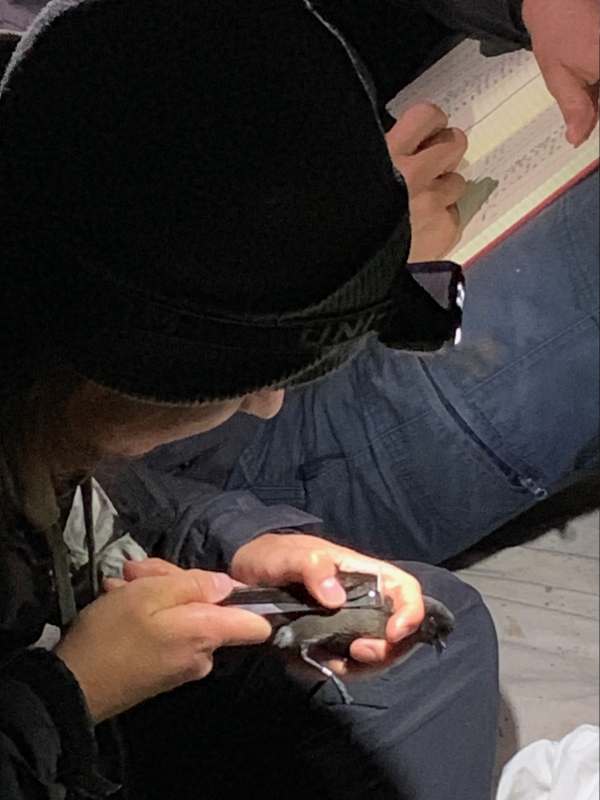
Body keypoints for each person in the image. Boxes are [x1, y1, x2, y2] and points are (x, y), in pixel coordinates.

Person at [0, 3, 499, 799]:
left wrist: (237, 543)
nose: (268, 407)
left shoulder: (43, 401)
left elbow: (101, 501)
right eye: (246, 381)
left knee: (447, 621)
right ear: (108, 375)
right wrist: (76, 691)